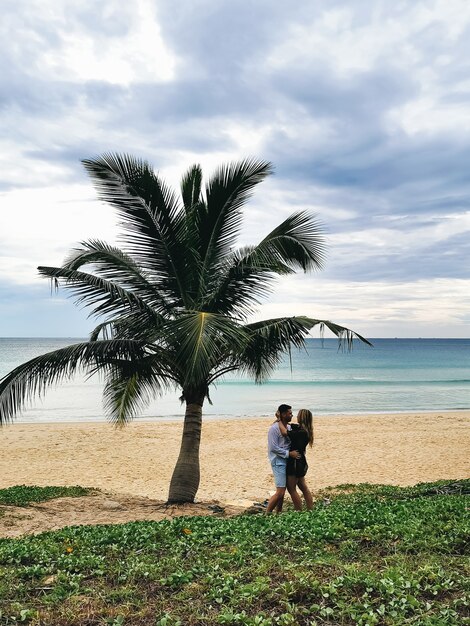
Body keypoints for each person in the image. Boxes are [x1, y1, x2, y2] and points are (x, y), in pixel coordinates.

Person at [266, 404, 302, 513]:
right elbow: (273, 448)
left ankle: (278, 512)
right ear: (283, 414)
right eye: (289, 413)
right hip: (278, 461)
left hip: (287, 461)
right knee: (280, 491)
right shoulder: (274, 428)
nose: (291, 415)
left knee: (283, 489)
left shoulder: (289, 427)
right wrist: (288, 454)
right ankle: (267, 513)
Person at [278, 408, 314, 510]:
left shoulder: (301, 432)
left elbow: (285, 432)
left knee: (291, 488)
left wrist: (279, 420)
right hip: (301, 460)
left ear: (302, 417)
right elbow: (291, 426)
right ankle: (310, 509)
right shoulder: (304, 430)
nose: (296, 416)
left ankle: (299, 510)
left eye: (298, 415)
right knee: (303, 487)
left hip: (295, 460)